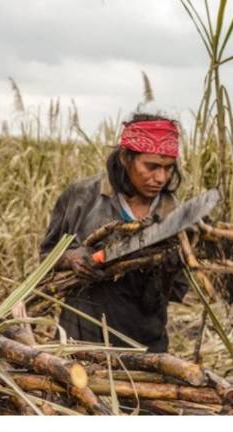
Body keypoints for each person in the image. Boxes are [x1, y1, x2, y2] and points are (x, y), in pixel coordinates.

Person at [39, 113, 188, 353]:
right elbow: (46, 256)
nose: (161, 177)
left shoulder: (174, 214)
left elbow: (177, 291)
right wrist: (70, 257)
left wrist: (167, 271)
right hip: (79, 338)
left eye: (168, 168)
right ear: (125, 158)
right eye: (151, 167)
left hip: (143, 346)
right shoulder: (83, 196)